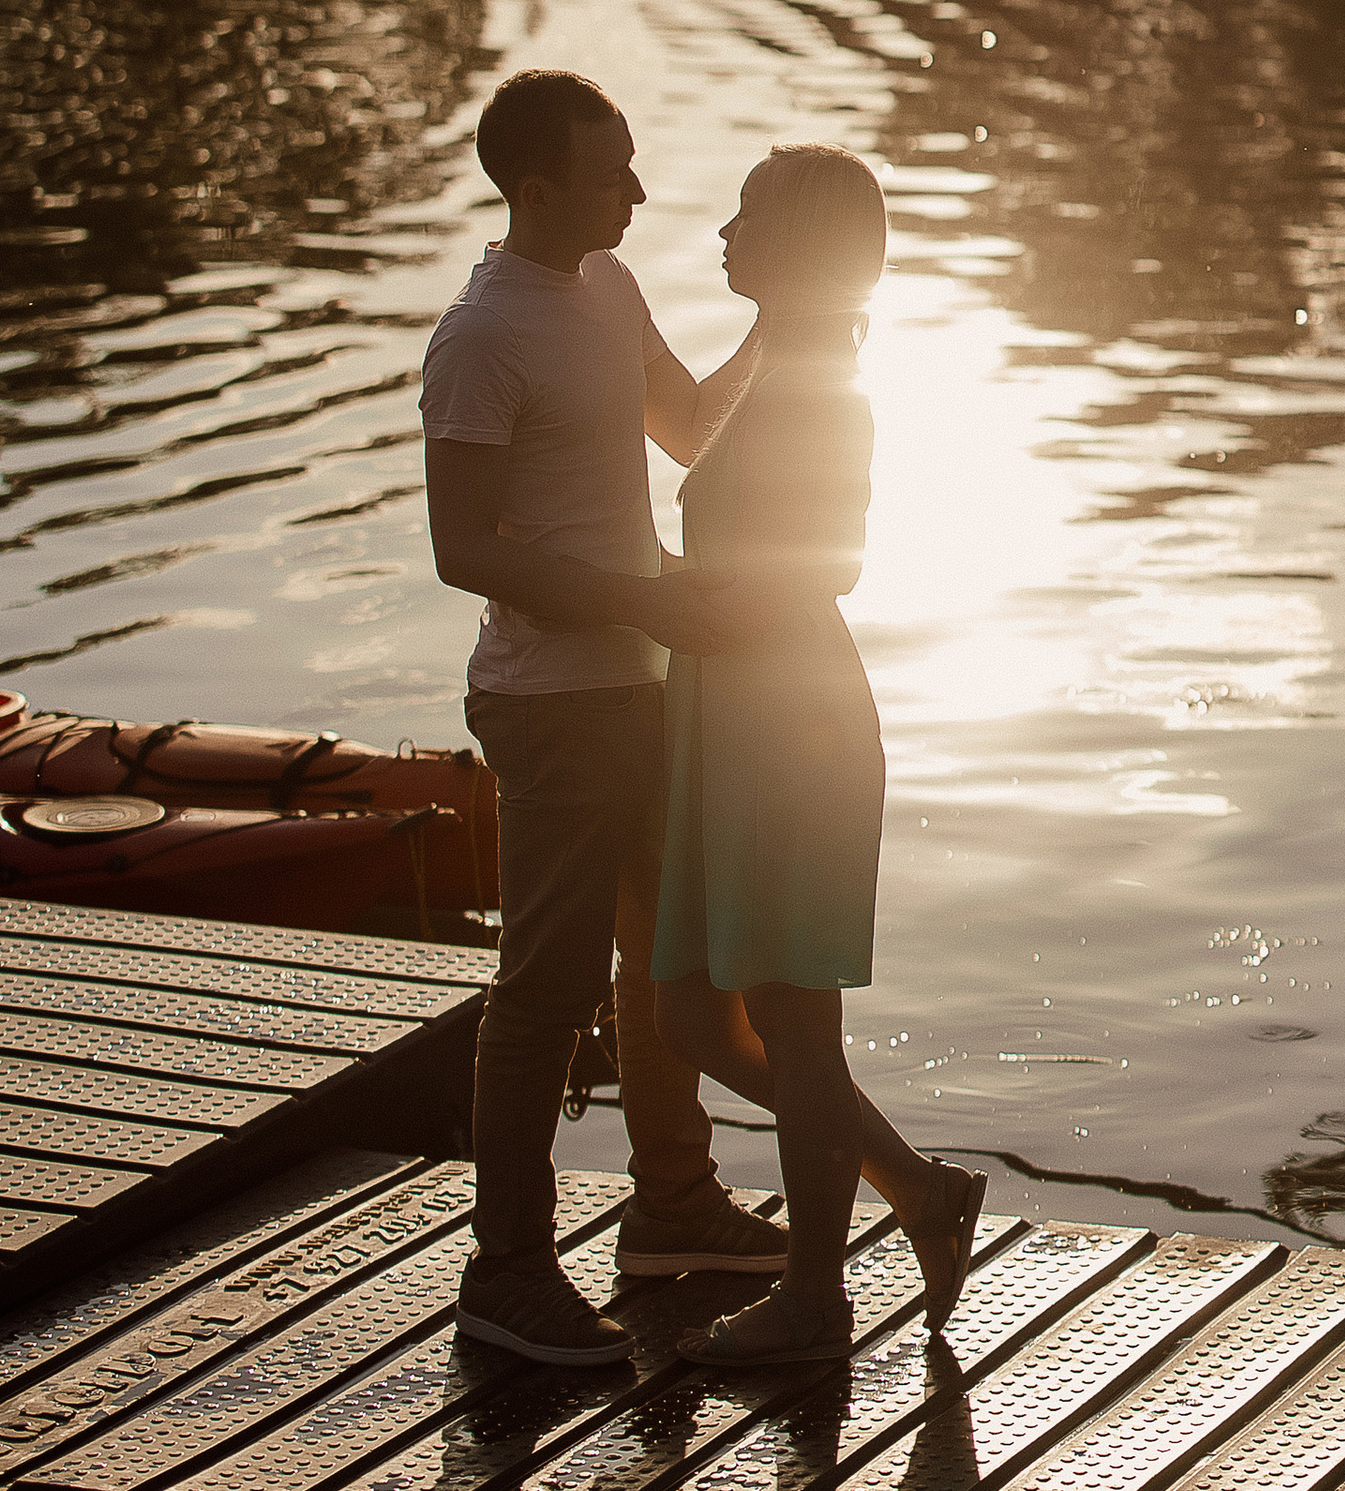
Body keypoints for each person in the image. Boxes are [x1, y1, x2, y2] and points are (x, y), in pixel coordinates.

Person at [420, 67, 789, 1368]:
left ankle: (671, 1207)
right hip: (552, 706)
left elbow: (687, 430)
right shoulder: (482, 337)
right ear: (537, 188)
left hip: (639, 681)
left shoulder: (608, 289)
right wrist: (645, 598)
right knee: (546, 990)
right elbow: (463, 547)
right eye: (611, 170)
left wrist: (782, 328)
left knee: (666, 958)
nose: (636, 189)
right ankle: (505, 1271)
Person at [652, 145, 986, 1366]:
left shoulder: (817, 385)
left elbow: (832, 560)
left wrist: (666, 607)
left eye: (745, 216)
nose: (722, 234)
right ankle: (919, 1192)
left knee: (795, 1031)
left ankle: (813, 1301)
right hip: (727, 720)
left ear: (796, 245)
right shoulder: (777, 364)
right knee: (691, 1013)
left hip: (786, 727)